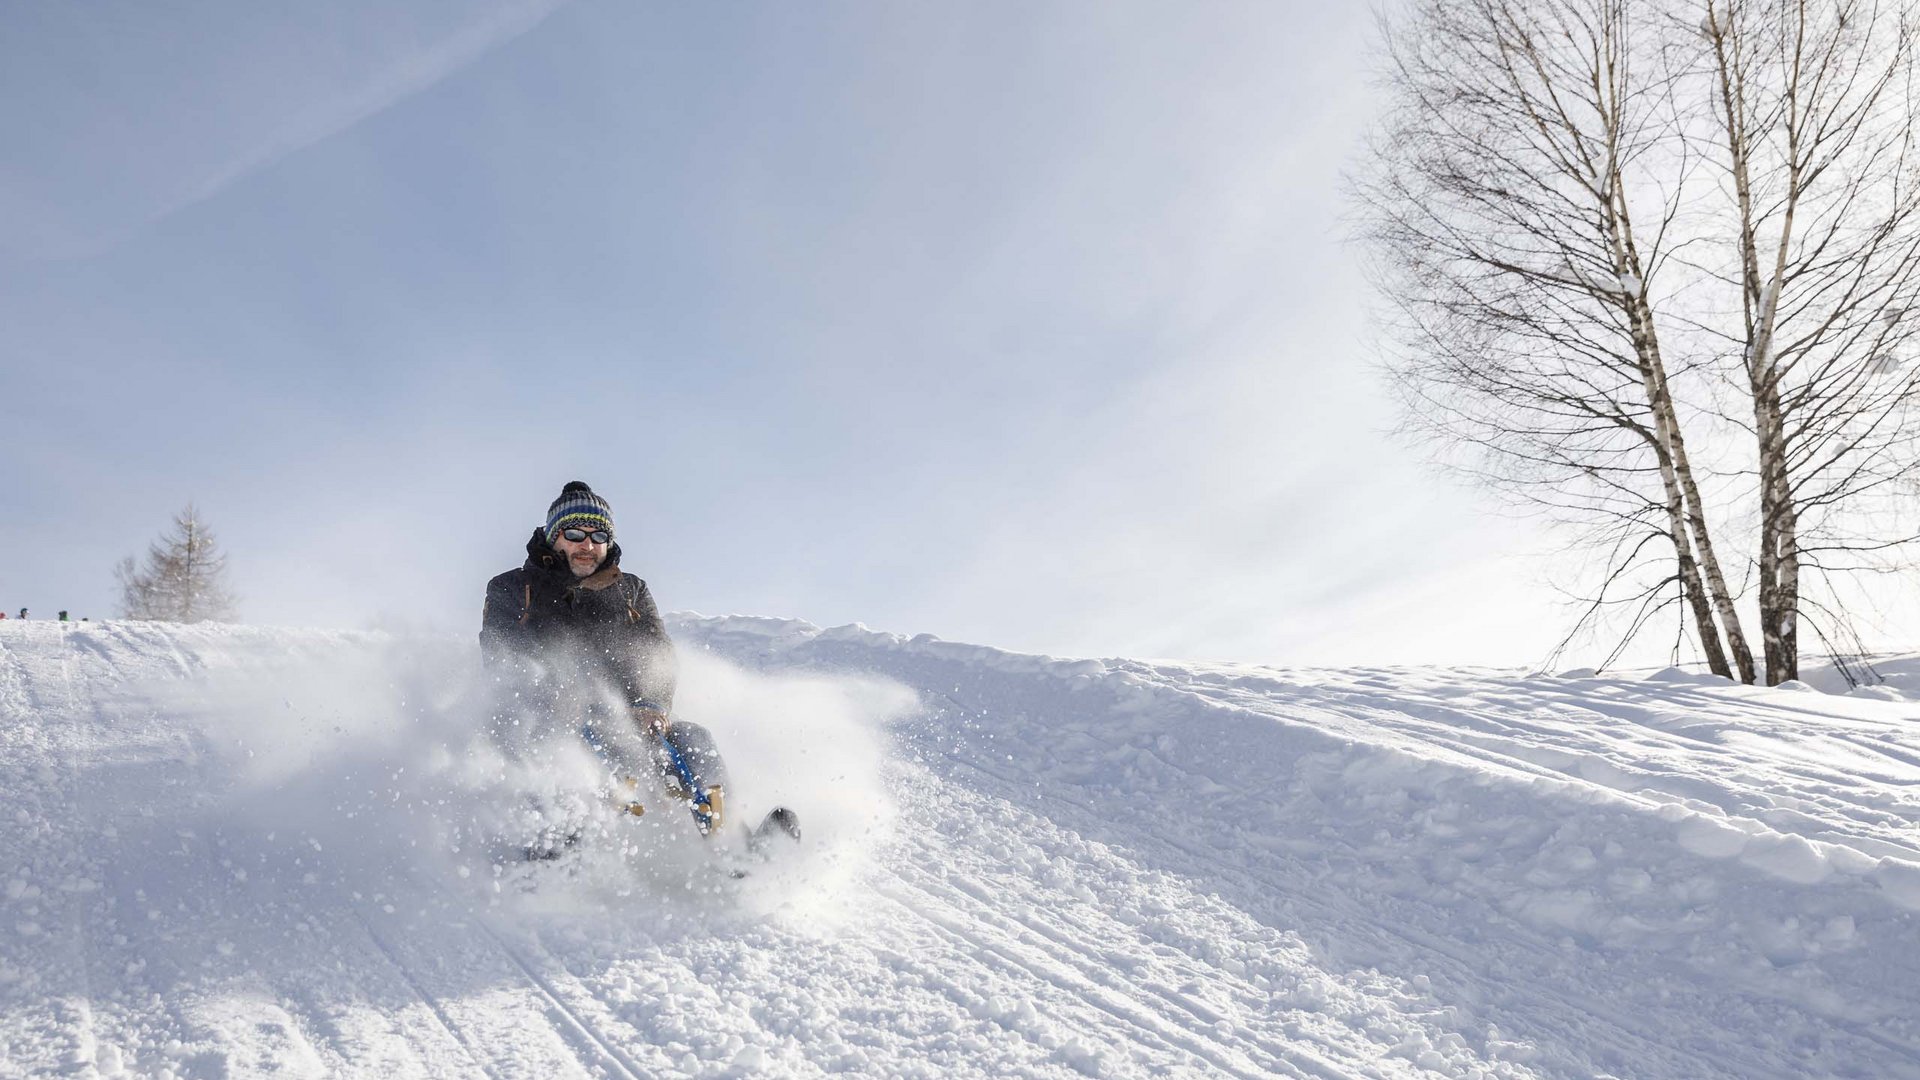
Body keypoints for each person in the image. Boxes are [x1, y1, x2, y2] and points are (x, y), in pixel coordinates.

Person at [479, 481, 742, 839]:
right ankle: (554, 852)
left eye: (597, 535)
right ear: (554, 537)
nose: (586, 545)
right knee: (557, 756)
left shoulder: (631, 590)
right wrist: (547, 692)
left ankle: (729, 844)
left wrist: (652, 703)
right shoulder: (512, 586)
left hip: (628, 717)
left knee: (693, 738)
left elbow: (658, 653)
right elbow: (500, 653)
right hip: (541, 718)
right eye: (574, 533)